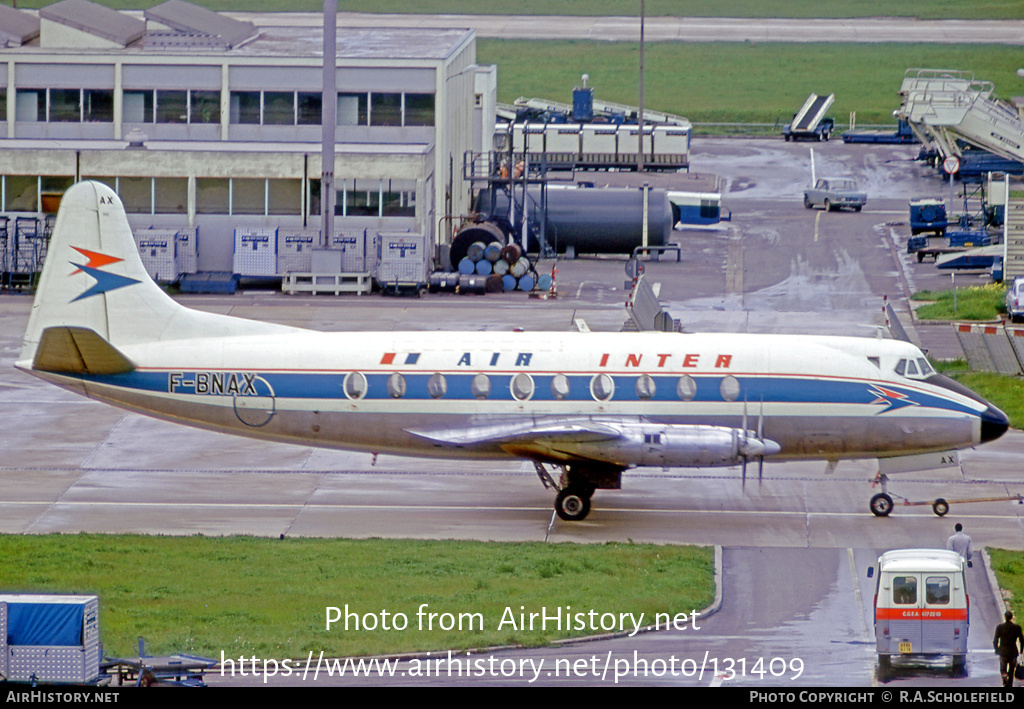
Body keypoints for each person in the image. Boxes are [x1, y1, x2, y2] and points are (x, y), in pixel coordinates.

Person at [994, 610, 1024, 687]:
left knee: (1003, 667)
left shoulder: (1000, 627)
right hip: (1013, 651)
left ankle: (1004, 675)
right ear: (1012, 617)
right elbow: (1021, 640)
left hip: (1003, 651)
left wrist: (997, 649)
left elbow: (995, 640)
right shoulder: (1017, 628)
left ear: (1005, 617)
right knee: (1011, 670)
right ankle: (1009, 683)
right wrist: (1021, 650)